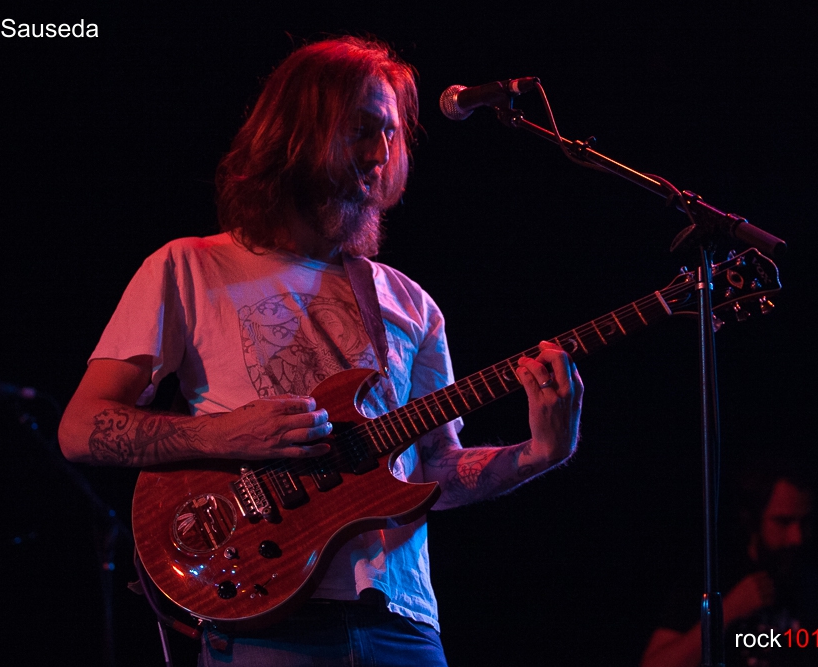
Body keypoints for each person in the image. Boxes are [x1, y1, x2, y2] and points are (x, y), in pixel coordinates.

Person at [58, 36, 583, 666]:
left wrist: (538, 454)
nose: (381, 155)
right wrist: (222, 434)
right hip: (263, 612)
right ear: (295, 132)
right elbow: (82, 428)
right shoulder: (188, 268)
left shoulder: (410, 303)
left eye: (391, 135)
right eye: (362, 129)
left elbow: (435, 473)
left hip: (402, 621)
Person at [640, 471, 818, 667]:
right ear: (753, 518)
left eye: (805, 522)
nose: (796, 537)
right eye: (783, 522)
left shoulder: (811, 581)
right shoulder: (712, 577)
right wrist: (727, 611)